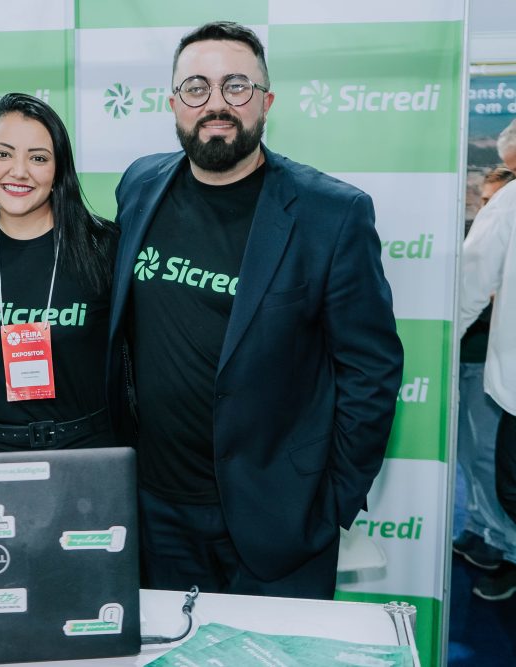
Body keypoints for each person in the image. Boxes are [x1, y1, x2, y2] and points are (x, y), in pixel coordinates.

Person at [106, 21, 403, 598]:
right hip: (157, 511)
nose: (216, 103)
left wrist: (330, 502)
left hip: (279, 519)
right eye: (196, 87)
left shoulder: (331, 213)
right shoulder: (139, 185)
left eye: (236, 86)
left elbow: (371, 370)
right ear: (173, 103)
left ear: (266, 102)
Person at [0, 93, 119, 451]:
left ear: (58, 171)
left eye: (38, 158)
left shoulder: (104, 246)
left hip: (86, 449)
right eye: (3, 154)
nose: (19, 171)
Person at [459, 122, 516, 600]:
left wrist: (440, 341)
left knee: (501, 473)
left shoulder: (509, 205)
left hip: (499, 373)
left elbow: (470, 285)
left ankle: (508, 552)